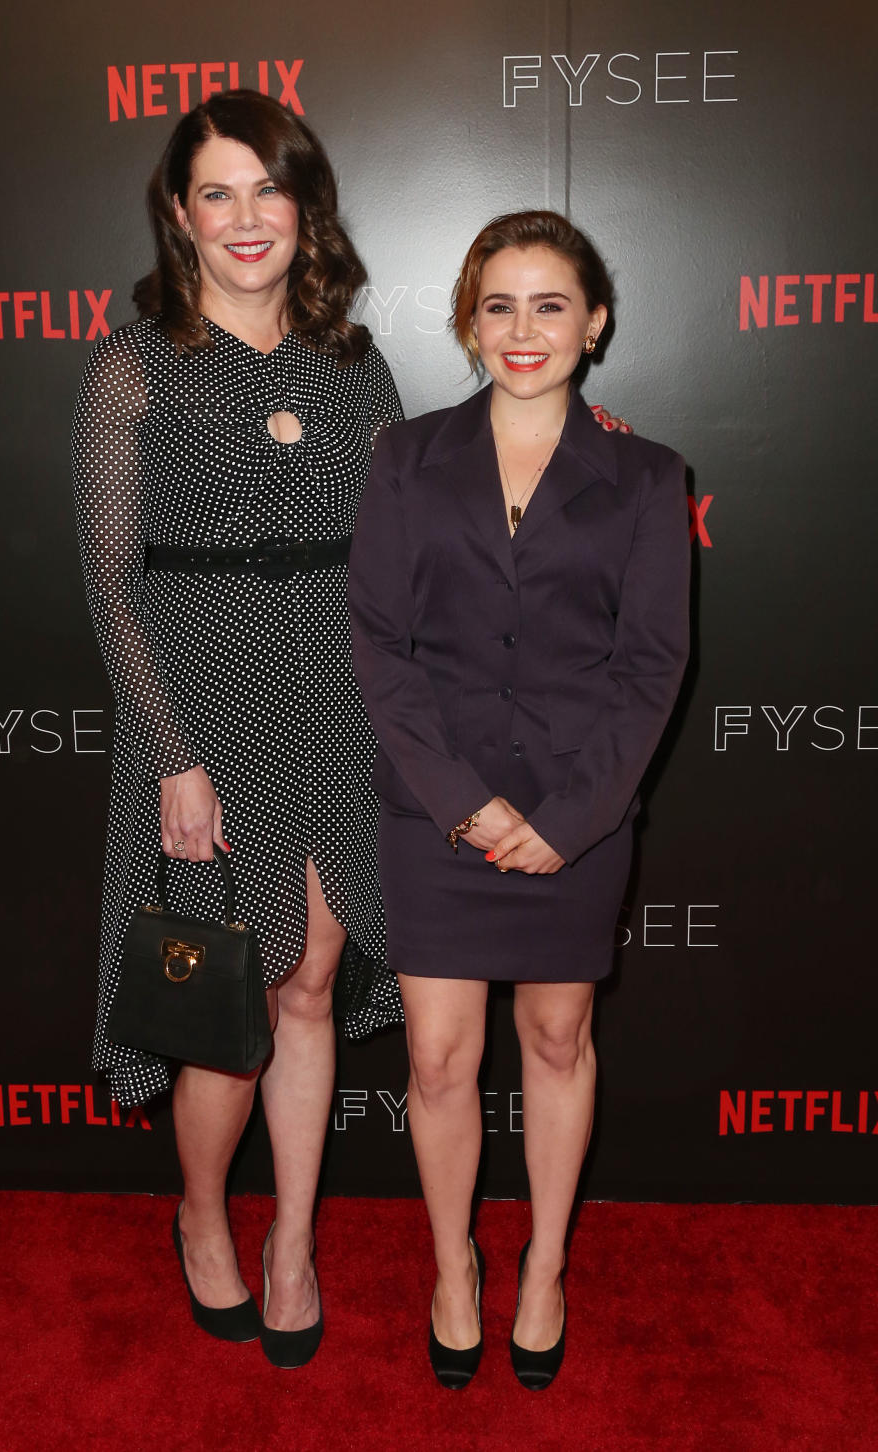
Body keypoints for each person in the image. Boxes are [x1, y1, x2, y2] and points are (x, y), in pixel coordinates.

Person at [72, 89, 405, 1368]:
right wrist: (171, 756)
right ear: (179, 213)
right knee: (234, 1002)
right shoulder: (130, 362)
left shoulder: (351, 360)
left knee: (312, 982)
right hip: (201, 706)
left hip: (336, 692)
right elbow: (110, 578)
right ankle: (204, 1215)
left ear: (302, 205)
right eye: (218, 191)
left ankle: (294, 1243)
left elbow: (392, 552)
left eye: (269, 189)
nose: (246, 217)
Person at [348, 210, 690, 1389]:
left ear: (595, 322)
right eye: (499, 305)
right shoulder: (405, 458)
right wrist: (458, 803)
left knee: (556, 1038)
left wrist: (573, 818)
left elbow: (653, 666)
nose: (524, 329)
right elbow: (381, 650)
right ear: (467, 321)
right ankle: (456, 1266)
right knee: (438, 1063)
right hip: (434, 807)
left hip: (577, 808)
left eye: (552, 304)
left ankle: (543, 1265)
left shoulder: (648, 477)